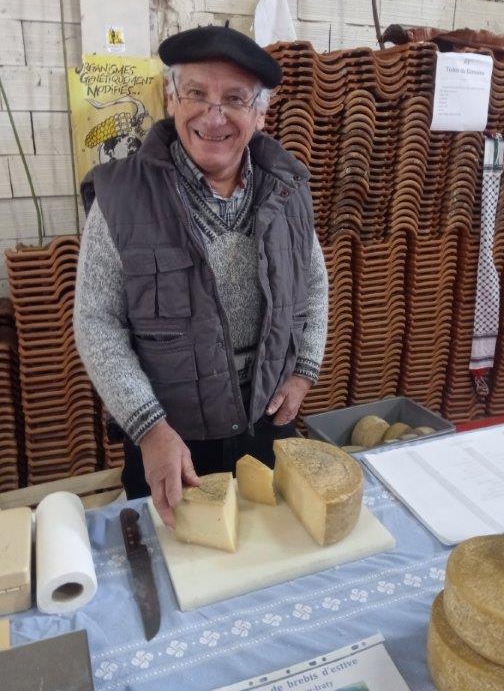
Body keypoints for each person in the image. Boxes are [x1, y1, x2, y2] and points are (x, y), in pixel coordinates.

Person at [74, 26, 329, 527]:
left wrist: (305, 370)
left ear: (260, 114)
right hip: (170, 438)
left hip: (266, 426)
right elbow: (97, 321)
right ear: (171, 99)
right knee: (176, 571)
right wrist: (148, 429)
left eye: (234, 99)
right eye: (196, 94)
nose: (214, 116)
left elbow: (314, 284)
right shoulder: (121, 198)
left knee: (269, 554)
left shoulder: (288, 190)